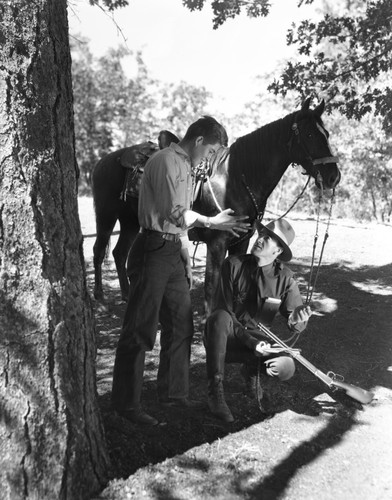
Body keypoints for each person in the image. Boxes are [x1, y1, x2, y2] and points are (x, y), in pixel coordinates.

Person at [111, 116, 251, 425]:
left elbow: (178, 221)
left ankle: (174, 396)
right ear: (200, 141)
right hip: (152, 250)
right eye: (213, 151)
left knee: (181, 324)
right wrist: (213, 222)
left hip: (172, 249)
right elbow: (173, 211)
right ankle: (126, 405)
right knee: (141, 328)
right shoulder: (164, 162)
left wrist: (184, 251)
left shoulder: (187, 167)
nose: (212, 158)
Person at [204, 218, 312, 423]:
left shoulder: (286, 279)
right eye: (262, 234)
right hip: (225, 339)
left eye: (269, 238)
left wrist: (298, 320)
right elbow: (224, 311)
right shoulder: (232, 264)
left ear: (278, 251)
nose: (260, 239)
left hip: (259, 344)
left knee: (286, 366)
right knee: (218, 317)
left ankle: (252, 373)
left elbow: (294, 320)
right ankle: (215, 393)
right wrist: (251, 342)